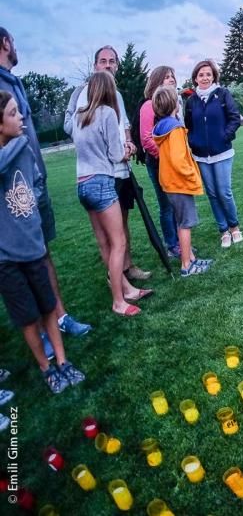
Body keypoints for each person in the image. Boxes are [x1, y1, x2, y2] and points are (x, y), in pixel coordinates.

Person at [0, 28, 90, 340]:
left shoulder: (14, 81)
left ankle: (59, 318)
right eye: (13, 41)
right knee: (19, 263)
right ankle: (38, 331)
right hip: (11, 192)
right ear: (6, 43)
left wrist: (37, 180)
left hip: (35, 183)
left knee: (42, 252)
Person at [0, 90, 86, 393]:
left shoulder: (22, 148)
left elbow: (36, 179)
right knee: (28, 317)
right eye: (12, 114)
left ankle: (62, 361)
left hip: (34, 246)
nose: (21, 117)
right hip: (6, 258)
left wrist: (31, 209)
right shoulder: (19, 145)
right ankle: (46, 368)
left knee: (49, 307)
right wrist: (20, 142)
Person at [67, 71, 150, 316]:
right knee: (118, 242)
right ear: (109, 90)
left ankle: (127, 289)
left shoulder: (79, 117)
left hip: (82, 183)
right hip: (102, 182)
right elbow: (115, 155)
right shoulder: (107, 113)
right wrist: (129, 148)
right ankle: (118, 301)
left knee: (104, 242)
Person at [151, 87, 212, 276]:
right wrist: (192, 175)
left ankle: (191, 258)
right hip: (179, 183)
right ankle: (187, 265)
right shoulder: (175, 128)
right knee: (185, 223)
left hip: (169, 183)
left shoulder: (161, 127)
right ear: (174, 104)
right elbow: (179, 160)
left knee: (180, 221)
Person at [184, 60, 243, 246]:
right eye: (201, 75)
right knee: (212, 194)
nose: (205, 78)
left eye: (208, 74)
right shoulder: (191, 101)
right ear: (195, 78)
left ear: (214, 76)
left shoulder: (223, 94)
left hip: (223, 153)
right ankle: (223, 230)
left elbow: (235, 118)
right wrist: (194, 142)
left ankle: (234, 227)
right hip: (201, 155)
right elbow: (188, 126)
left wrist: (224, 136)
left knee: (224, 192)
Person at [137, 65, 181, 258]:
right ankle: (171, 245)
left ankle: (181, 243)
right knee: (166, 205)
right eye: (166, 77)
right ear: (156, 81)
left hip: (174, 163)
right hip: (158, 163)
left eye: (172, 76)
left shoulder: (173, 106)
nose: (171, 80)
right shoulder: (149, 105)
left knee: (177, 204)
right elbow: (146, 139)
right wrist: (167, 157)